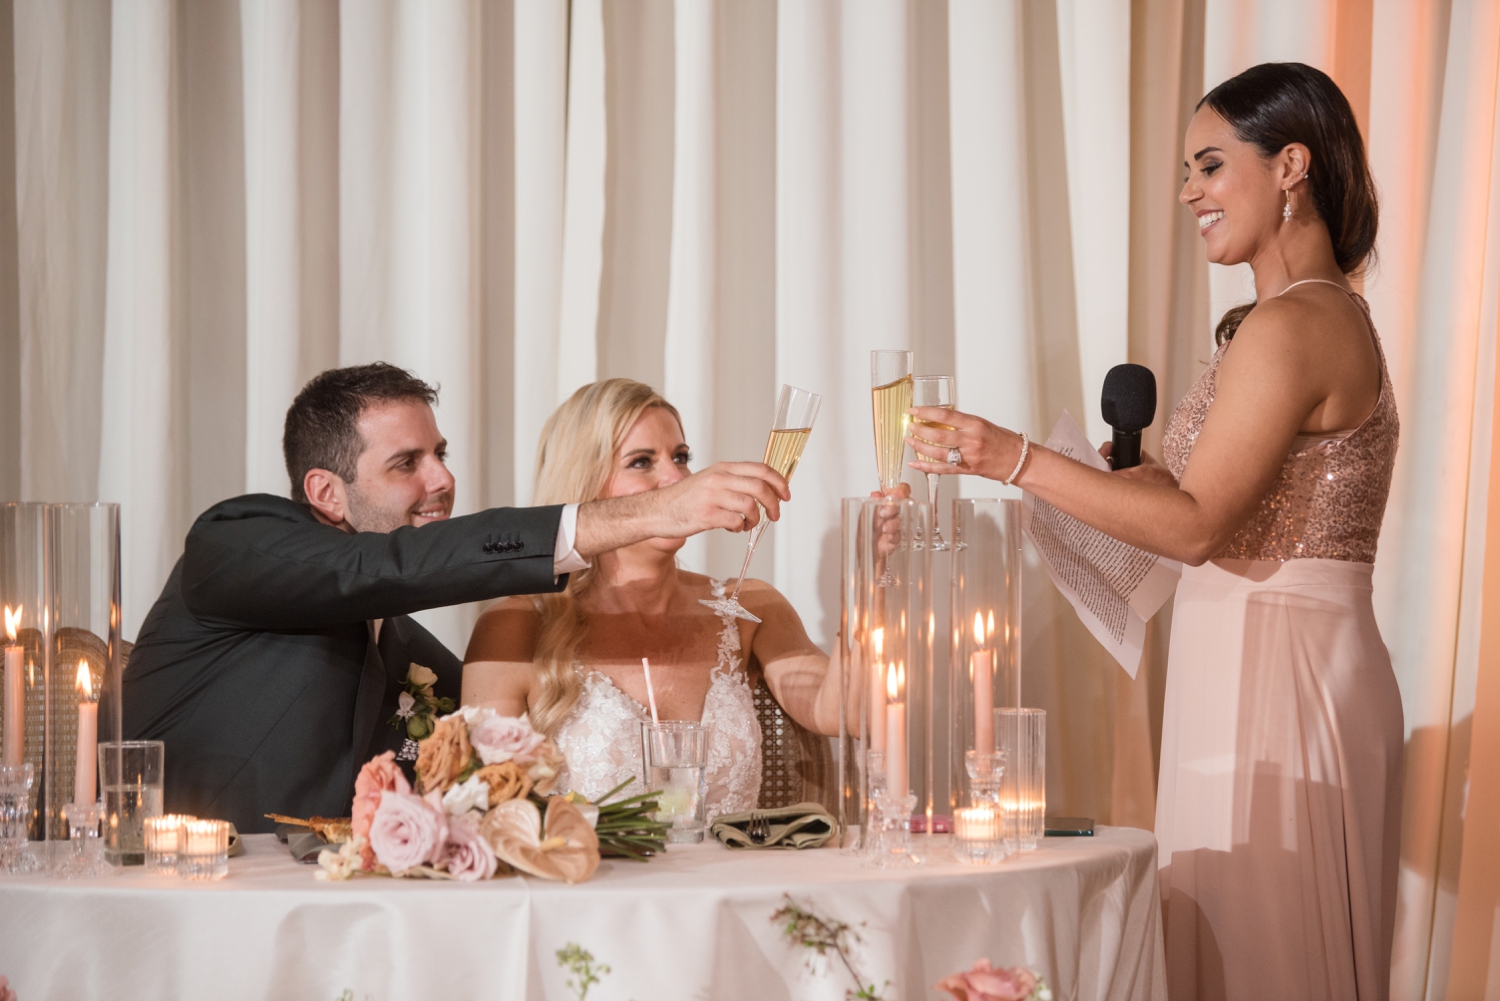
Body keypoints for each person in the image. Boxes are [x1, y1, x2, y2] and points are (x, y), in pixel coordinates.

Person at [906, 64, 1400, 1000]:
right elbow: (1199, 503)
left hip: (1281, 668)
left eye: (1210, 166)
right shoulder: (1290, 320)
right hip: (1252, 651)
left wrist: (1012, 456)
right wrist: (1116, 483)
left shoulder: (1297, 325)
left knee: (1265, 952)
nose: (1187, 193)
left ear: (1290, 164)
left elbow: (1200, 524)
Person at [122, 364, 790, 833]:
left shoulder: (407, 648)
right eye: (406, 463)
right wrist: (649, 513)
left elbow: (479, 760)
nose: (443, 478)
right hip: (188, 904)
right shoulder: (233, 543)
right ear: (326, 492)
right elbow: (392, 566)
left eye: (440, 453)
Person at [461, 379, 839, 820]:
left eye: (681, 457)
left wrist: (873, 580)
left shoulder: (750, 607)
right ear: (584, 484)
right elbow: (486, 813)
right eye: (642, 462)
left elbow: (839, 712)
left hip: (735, 889)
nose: (677, 478)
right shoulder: (515, 626)